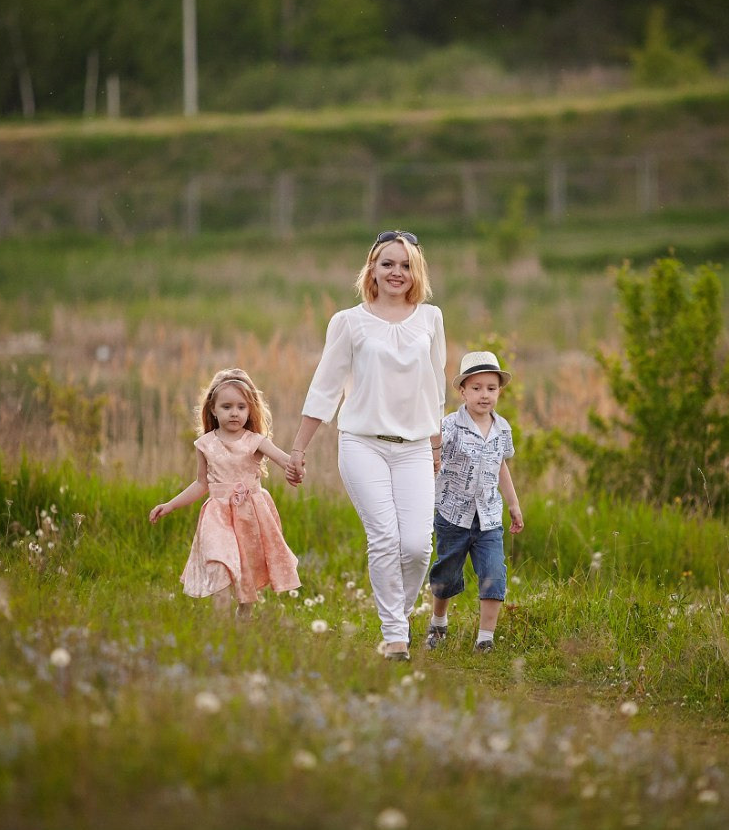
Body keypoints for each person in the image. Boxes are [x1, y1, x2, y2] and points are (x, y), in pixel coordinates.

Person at [285, 230, 446, 662]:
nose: (396, 272)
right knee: (384, 538)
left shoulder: (431, 319)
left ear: (417, 272)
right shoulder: (348, 322)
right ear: (371, 269)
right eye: (387, 263)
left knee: (416, 546)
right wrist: (299, 448)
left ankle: (399, 614)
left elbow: (437, 390)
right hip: (362, 444)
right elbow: (325, 389)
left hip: (414, 447)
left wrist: (436, 446)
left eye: (405, 265)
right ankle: (395, 635)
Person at [149, 368, 300, 618]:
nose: (234, 412)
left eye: (241, 407)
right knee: (219, 562)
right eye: (227, 406)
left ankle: (244, 617)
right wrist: (171, 505)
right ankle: (220, 626)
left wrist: (296, 465)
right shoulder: (205, 444)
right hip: (217, 515)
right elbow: (201, 484)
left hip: (250, 515)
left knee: (245, 568)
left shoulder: (255, 441)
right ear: (213, 409)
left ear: (250, 410)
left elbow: (286, 461)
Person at [424, 351, 523, 653]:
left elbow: (500, 466)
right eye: (477, 388)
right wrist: (434, 458)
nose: (484, 395)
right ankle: (438, 622)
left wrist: (514, 504)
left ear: (498, 392)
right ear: (462, 390)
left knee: (494, 572)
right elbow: (433, 454)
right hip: (453, 514)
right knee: (448, 572)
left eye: (491, 389)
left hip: (489, 516)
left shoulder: (502, 429)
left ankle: (485, 638)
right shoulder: (450, 425)